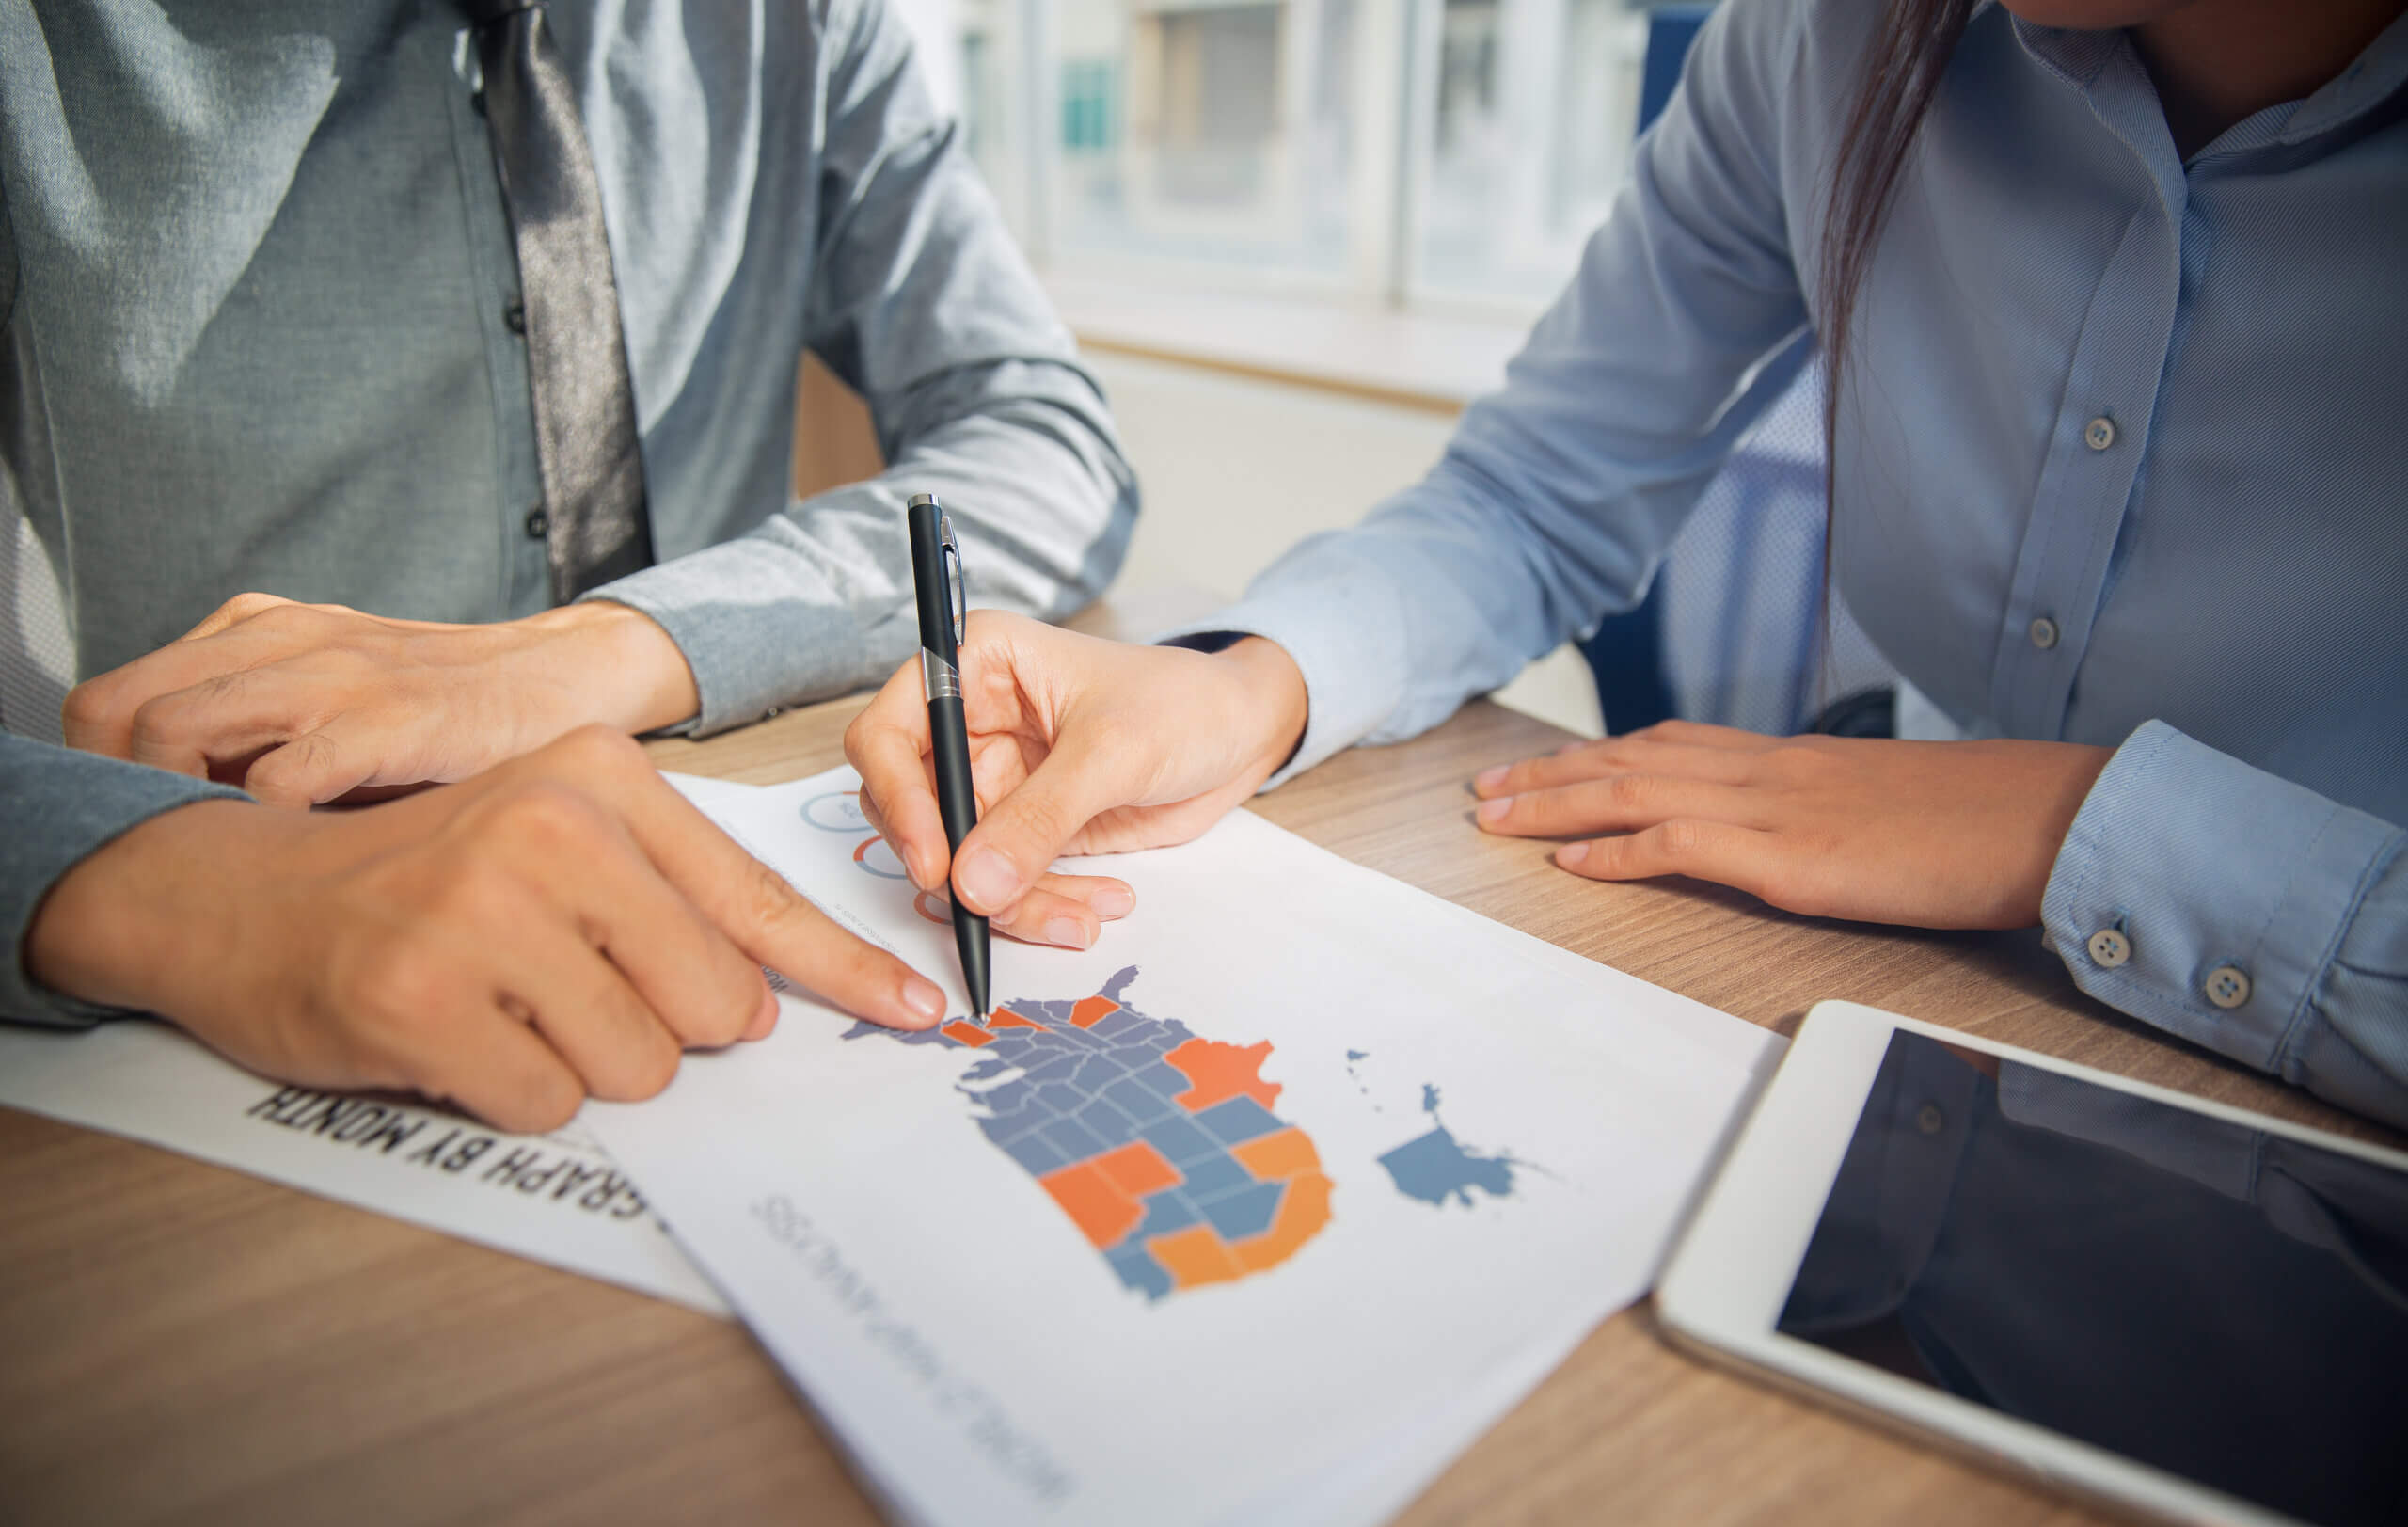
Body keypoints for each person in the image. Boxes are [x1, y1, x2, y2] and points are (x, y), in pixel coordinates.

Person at [849, 0, 2408, 1127]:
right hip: (1913, 1022)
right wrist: (1247, 685)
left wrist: (2077, 825)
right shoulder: (1830, 44)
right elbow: (1534, 493)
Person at [0, 0, 1140, 1130]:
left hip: (721, 896)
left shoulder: (801, 24)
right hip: (248, 973)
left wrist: (610, 651)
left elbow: (1047, 437)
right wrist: (174, 881)